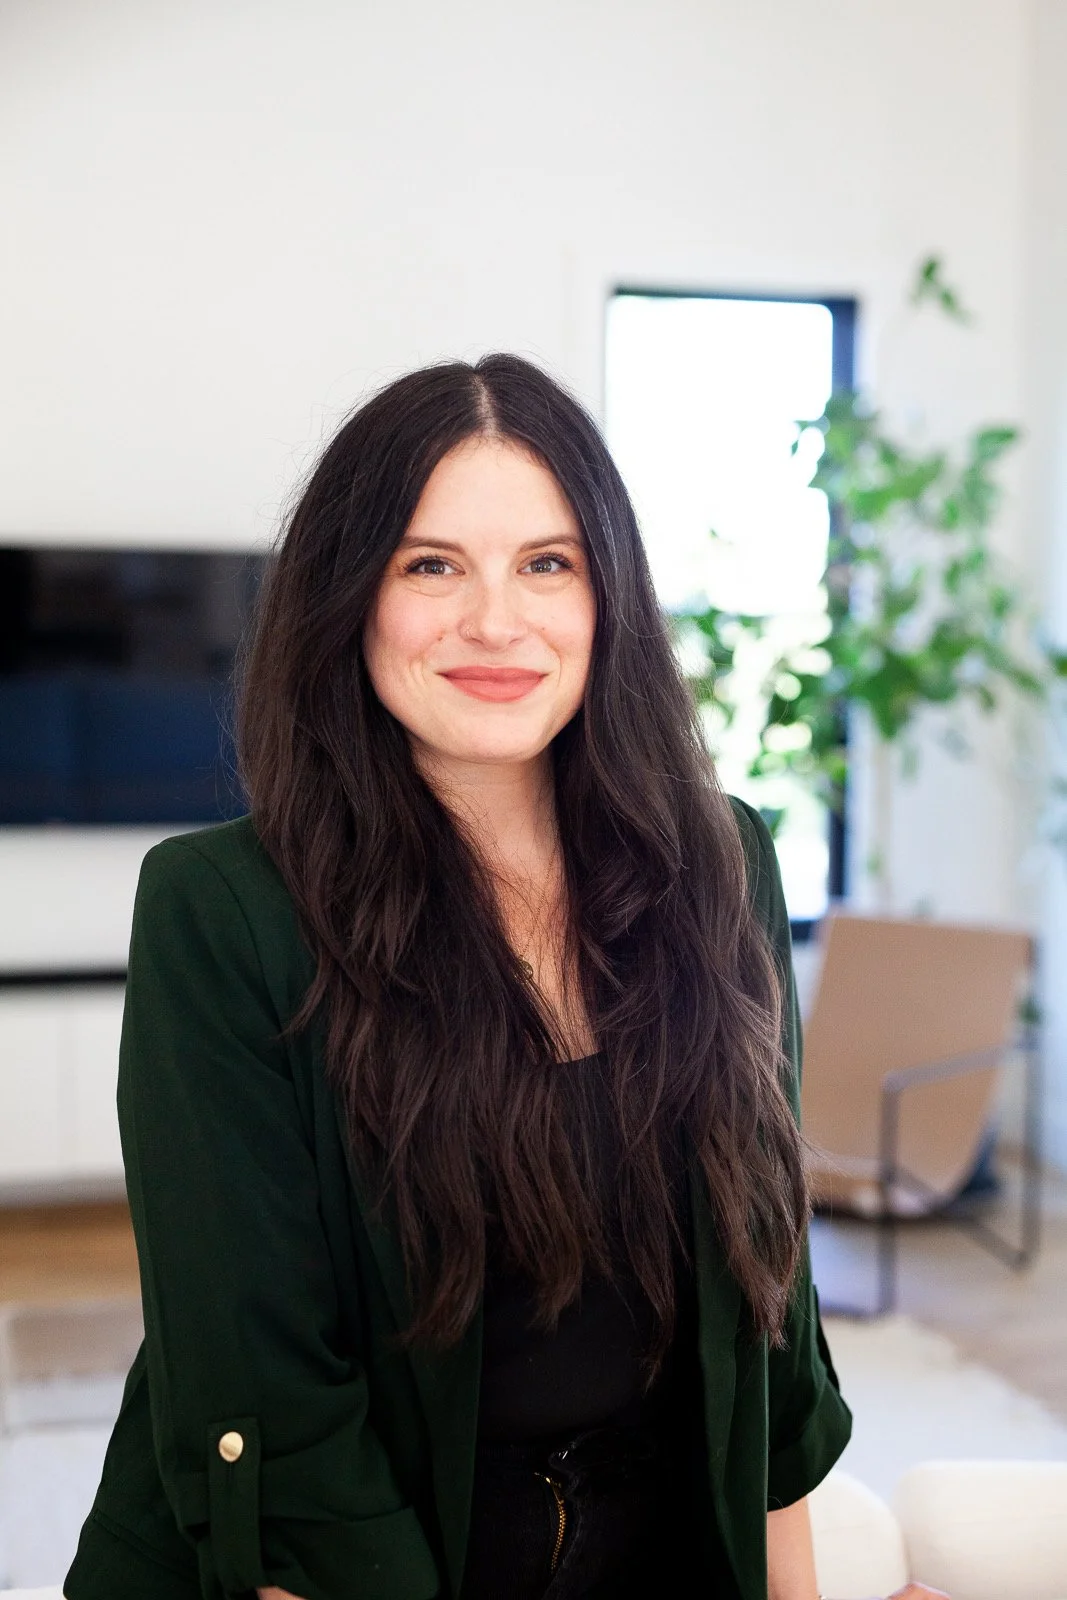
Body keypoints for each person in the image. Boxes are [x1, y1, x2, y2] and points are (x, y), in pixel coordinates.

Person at [63, 355, 948, 1600]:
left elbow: (766, 1306)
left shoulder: (718, 859)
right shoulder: (223, 909)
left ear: (607, 599)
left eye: (546, 563)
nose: (495, 621)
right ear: (349, 596)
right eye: (431, 565)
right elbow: (273, 1408)